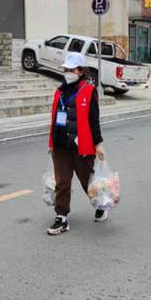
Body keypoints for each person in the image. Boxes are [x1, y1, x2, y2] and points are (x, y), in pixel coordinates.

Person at [47, 52, 106, 235]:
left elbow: (93, 120)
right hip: (60, 145)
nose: (67, 72)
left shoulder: (89, 90)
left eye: (71, 69)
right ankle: (61, 217)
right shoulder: (60, 91)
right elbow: (54, 118)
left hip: (82, 146)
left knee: (87, 182)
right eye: (66, 69)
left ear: (80, 71)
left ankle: (101, 204)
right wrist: (51, 143)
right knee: (62, 182)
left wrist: (98, 144)